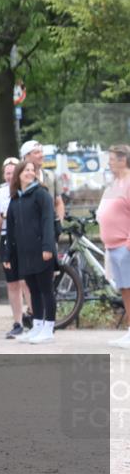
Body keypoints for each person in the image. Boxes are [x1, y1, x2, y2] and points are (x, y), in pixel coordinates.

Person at [3, 160, 58, 344]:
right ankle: (37, 326)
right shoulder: (15, 199)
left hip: (41, 250)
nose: (29, 173)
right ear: (18, 174)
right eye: (26, 170)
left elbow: (47, 221)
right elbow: (10, 229)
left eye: (32, 170)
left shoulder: (41, 194)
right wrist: (8, 254)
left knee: (46, 290)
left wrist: (48, 247)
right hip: (24, 253)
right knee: (33, 291)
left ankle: (49, 327)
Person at [0, 157, 31, 338]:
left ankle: (35, 317)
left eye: (13, 172)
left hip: (26, 238)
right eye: (7, 173)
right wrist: (7, 215)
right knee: (12, 282)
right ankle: (17, 322)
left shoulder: (28, 191)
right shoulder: (0, 193)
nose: (10, 176)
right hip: (7, 237)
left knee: (27, 281)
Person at [100, 145, 130, 348]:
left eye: (112, 159)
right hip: (113, 245)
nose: (109, 162)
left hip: (124, 245)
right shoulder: (114, 183)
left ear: (123, 159)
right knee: (124, 289)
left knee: (129, 288)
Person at [19, 140, 65, 226]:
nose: (41, 155)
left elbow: (59, 202)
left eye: (41, 152)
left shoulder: (51, 176)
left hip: (49, 228)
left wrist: (59, 224)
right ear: (26, 156)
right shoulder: (19, 179)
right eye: (36, 153)